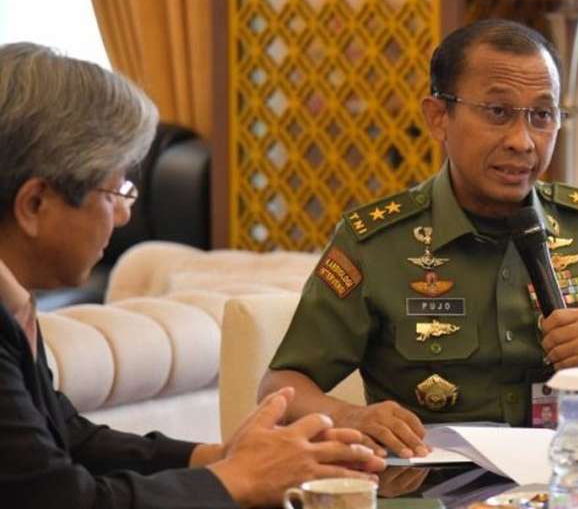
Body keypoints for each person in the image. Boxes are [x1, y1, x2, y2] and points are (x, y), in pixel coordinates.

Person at [261, 19, 578, 459]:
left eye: (541, 115)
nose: (523, 141)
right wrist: (350, 417)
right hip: (428, 482)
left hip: (569, 475)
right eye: (498, 112)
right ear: (439, 118)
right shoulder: (376, 244)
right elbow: (281, 388)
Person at [0, 43, 385, 508]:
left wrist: (218, 458)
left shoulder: (14, 301)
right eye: (114, 192)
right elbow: (61, 501)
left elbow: (65, 436)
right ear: (34, 204)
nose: (124, 215)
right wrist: (236, 478)